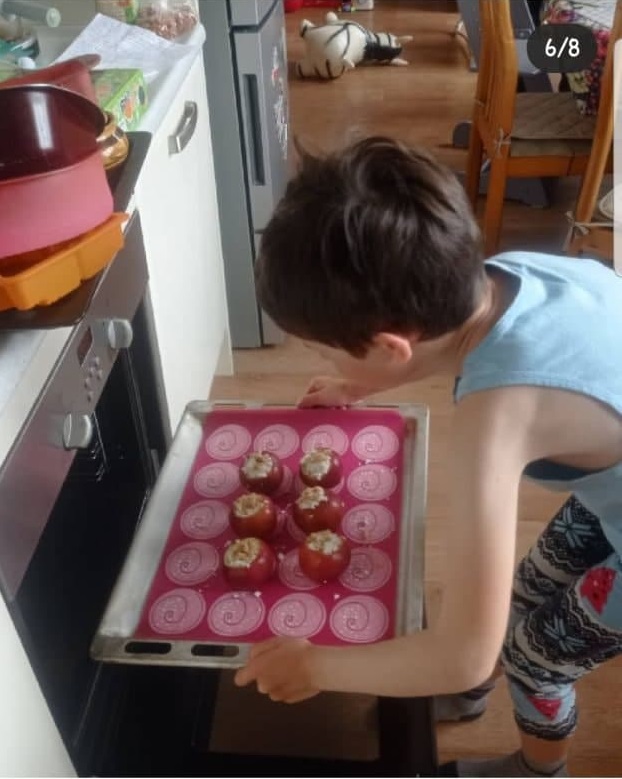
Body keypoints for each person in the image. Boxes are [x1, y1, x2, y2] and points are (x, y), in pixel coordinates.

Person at [232, 136, 622, 778]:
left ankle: (538, 771)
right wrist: (360, 382)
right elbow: (448, 345)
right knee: (527, 589)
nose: (324, 362)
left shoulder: (493, 421)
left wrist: (317, 666)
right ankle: (470, 702)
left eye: (326, 350)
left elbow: (465, 652)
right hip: (610, 484)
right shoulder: (507, 272)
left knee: (534, 658)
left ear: (391, 346)